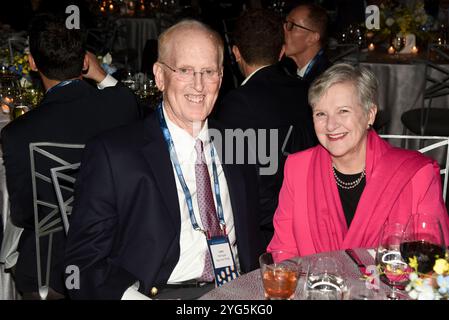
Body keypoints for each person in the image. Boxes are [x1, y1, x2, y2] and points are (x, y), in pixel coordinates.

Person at [64, 19, 263, 300]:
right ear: (159, 76)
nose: (199, 85)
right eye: (184, 70)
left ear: (221, 76)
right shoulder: (113, 154)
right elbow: (82, 264)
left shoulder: (238, 144)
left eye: (209, 72)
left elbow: (263, 229)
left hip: (238, 292)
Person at [1, 13, 141, 299]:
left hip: (50, 268)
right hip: (114, 253)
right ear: (85, 62)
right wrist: (102, 74)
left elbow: (25, 214)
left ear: (32, 63)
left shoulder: (16, 134)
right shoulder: (121, 107)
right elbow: (130, 101)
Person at [268, 63, 449, 256]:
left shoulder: (416, 174)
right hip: (315, 285)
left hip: (391, 285)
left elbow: (432, 263)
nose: (331, 125)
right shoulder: (298, 168)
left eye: (343, 111)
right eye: (321, 114)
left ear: (370, 115)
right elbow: (283, 251)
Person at [214, 9, 317, 247]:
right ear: (282, 52)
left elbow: (234, 181)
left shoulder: (236, 103)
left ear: (236, 53)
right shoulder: (306, 91)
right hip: (308, 217)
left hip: (263, 234)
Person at [280, 2, 332, 87]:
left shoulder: (324, 82)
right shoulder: (288, 72)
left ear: (312, 38)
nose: (284, 30)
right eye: (285, 24)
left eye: (291, 25)